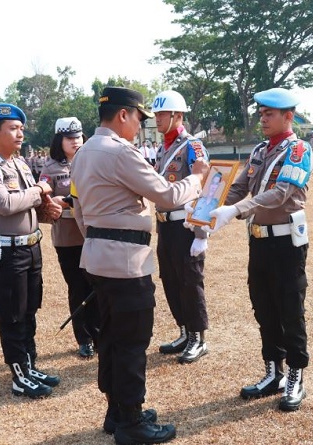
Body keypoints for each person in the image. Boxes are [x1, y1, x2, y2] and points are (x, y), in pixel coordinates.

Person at [70, 86, 208, 444]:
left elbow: (79, 209)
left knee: (110, 338)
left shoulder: (84, 152)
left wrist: (98, 239)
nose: (140, 125)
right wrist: (197, 178)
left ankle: (116, 411)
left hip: (98, 257)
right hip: (126, 262)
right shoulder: (120, 152)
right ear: (123, 115)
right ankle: (131, 421)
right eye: (138, 118)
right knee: (131, 341)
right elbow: (167, 194)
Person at [202, 87, 312, 412]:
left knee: (290, 310)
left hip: (286, 242)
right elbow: (238, 187)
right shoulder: (260, 150)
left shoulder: (298, 150)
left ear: (288, 116)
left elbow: (281, 193)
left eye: (269, 114)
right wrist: (206, 205)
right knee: (264, 307)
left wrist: (235, 211)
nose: (263, 119)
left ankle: (295, 375)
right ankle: (273, 371)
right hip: (259, 240)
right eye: (261, 114)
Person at [0, 103, 63, 398]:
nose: (20, 133)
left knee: (29, 311)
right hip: (9, 254)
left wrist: (48, 209)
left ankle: (30, 366)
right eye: (13, 128)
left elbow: (30, 205)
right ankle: (19, 377)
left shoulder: (20, 165)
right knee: (12, 315)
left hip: (32, 248)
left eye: (21, 128)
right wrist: (40, 190)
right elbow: (6, 204)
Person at [151, 89, 211, 364]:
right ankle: (184, 331)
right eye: (156, 114)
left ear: (177, 115)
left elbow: (206, 187)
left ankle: (198, 337)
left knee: (189, 280)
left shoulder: (191, 146)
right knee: (170, 278)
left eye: (162, 114)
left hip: (185, 225)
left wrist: (201, 231)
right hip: (164, 224)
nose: (157, 119)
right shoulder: (163, 147)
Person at [39, 117, 99, 359]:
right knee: (77, 288)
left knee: (96, 286)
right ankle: (84, 339)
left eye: (78, 136)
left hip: (92, 234)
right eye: (69, 138)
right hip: (68, 237)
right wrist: (59, 203)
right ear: (59, 140)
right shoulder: (50, 168)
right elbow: (45, 201)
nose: (75, 141)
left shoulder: (92, 160)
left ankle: (99, 333)